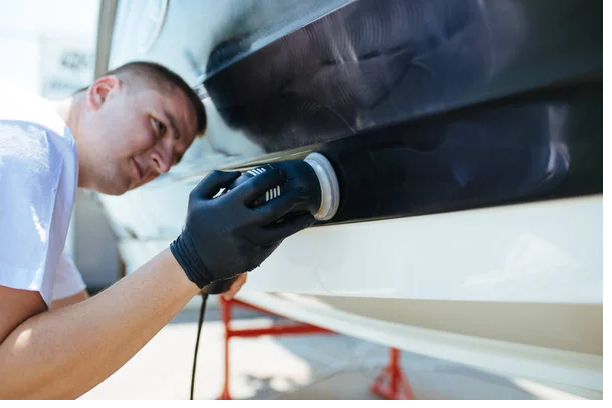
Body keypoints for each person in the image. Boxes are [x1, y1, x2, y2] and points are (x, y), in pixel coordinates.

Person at [0, 61, 315, 399]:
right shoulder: (32, 142)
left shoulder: (36, 157)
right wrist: (190, 261)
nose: (163, 165)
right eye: (160, 126)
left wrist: (190, 271)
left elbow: (73, 342)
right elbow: (12, 377)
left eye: (174, 159)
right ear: (102, 92)